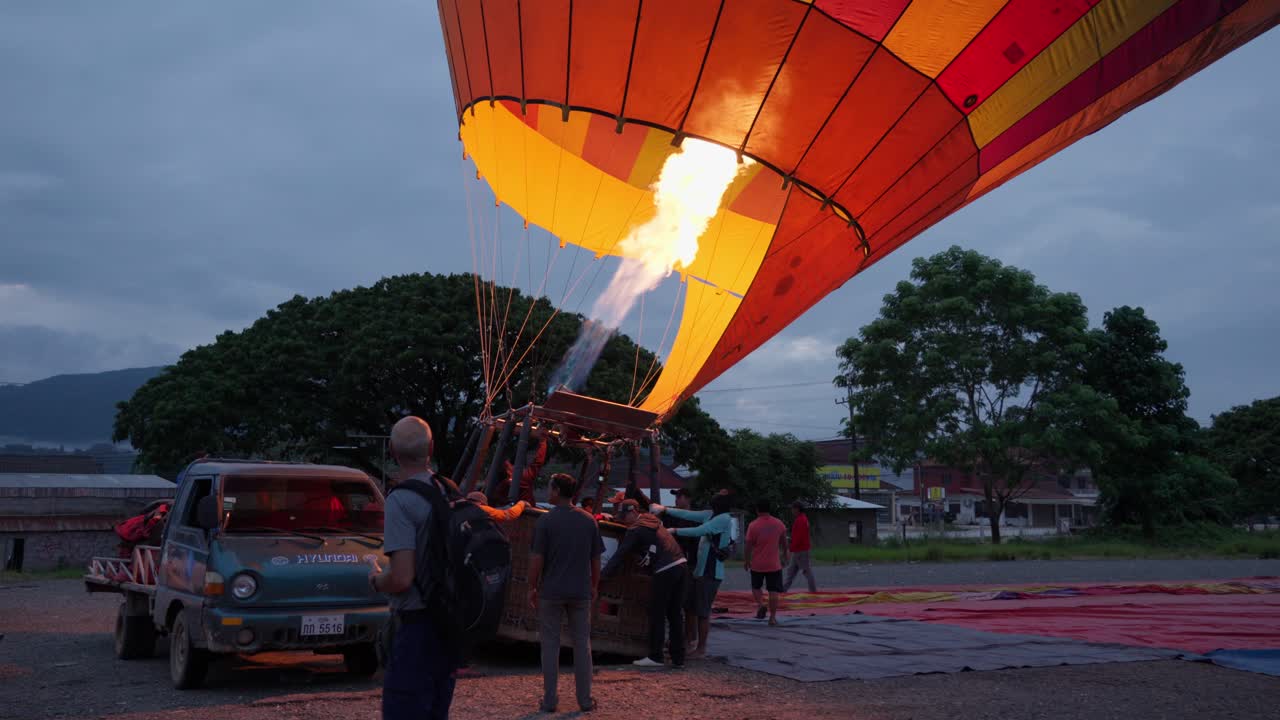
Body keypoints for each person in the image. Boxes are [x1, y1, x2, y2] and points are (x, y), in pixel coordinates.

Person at [368, 416, 457, 719]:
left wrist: (377, 581)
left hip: (416, 628)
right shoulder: (449, 490)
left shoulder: (401, 499)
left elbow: (402, 577)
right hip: (448, 625)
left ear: (392, 451)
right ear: (431, 447)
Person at [529, 472, 604, 713]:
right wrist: (594, 585)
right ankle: (585, 700)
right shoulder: (588, 520)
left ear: (558, 491)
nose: (548, 492)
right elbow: (595, 560)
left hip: (551, 591)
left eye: (550, 488)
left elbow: (537, 559)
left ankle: (550, 700)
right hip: (580, 591)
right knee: (582, 644)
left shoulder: (546, 521)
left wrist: (531, 586)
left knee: (550, 645)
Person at [603, 499, 687, 668]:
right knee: (674, 614)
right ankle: (678, 658)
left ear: (633, 511)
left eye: (624, 515)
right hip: (681, 565)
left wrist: (602, 576)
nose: (623, 519)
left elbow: (620, 554)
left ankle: (656, 657)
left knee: (657, 613)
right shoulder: (651, 520)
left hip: (665, 569)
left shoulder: (635, 530)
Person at [657, 492, 735, 658]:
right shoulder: (712, 514)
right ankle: (689, 641)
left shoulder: (723, 519)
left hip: (711, 570)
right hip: (701, 569)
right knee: (691, 607)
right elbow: (687, 514)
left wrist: (674, 530)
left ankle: (701, 648)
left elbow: (701, 530)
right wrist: (665, 509)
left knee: (702, 612)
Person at [664, 488, 702, 651]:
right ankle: (679, 637)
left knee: (689, 604)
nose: (677, 500)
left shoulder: (695, 519)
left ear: (688, 499)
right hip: (676, 562)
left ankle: (690, 639)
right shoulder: (673, 516)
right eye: (676, 496)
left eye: (680, 497)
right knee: (676, 602)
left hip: (690, 562)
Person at [744, 500, 789, 626]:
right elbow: (785, 544)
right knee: (773, 591)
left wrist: (747, 560)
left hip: (757, 564)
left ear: (757, 510)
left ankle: (761, 604)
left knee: (756, 587)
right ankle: (772, 618)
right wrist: (785, 556)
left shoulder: (753, 525)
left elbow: (748, 545)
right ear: (769, 509)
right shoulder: (779, 523)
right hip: (774, 564)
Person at [491, 434, 548, 505]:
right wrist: (543, 441)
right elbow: (538, 462)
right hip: (526, 509)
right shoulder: (522, 477)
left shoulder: (498, 485)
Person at [783, 500, 817, 593]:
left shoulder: (801, 520)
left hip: (800, 550)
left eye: (792, 508)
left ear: (797, 509)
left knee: (806, 571)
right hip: (799, 550)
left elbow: (799, 537)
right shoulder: (802, 519)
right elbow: (798, 536)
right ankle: (783, 590)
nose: (791, 510)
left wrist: (791, 548)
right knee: (791, 571)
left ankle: (813, 591)